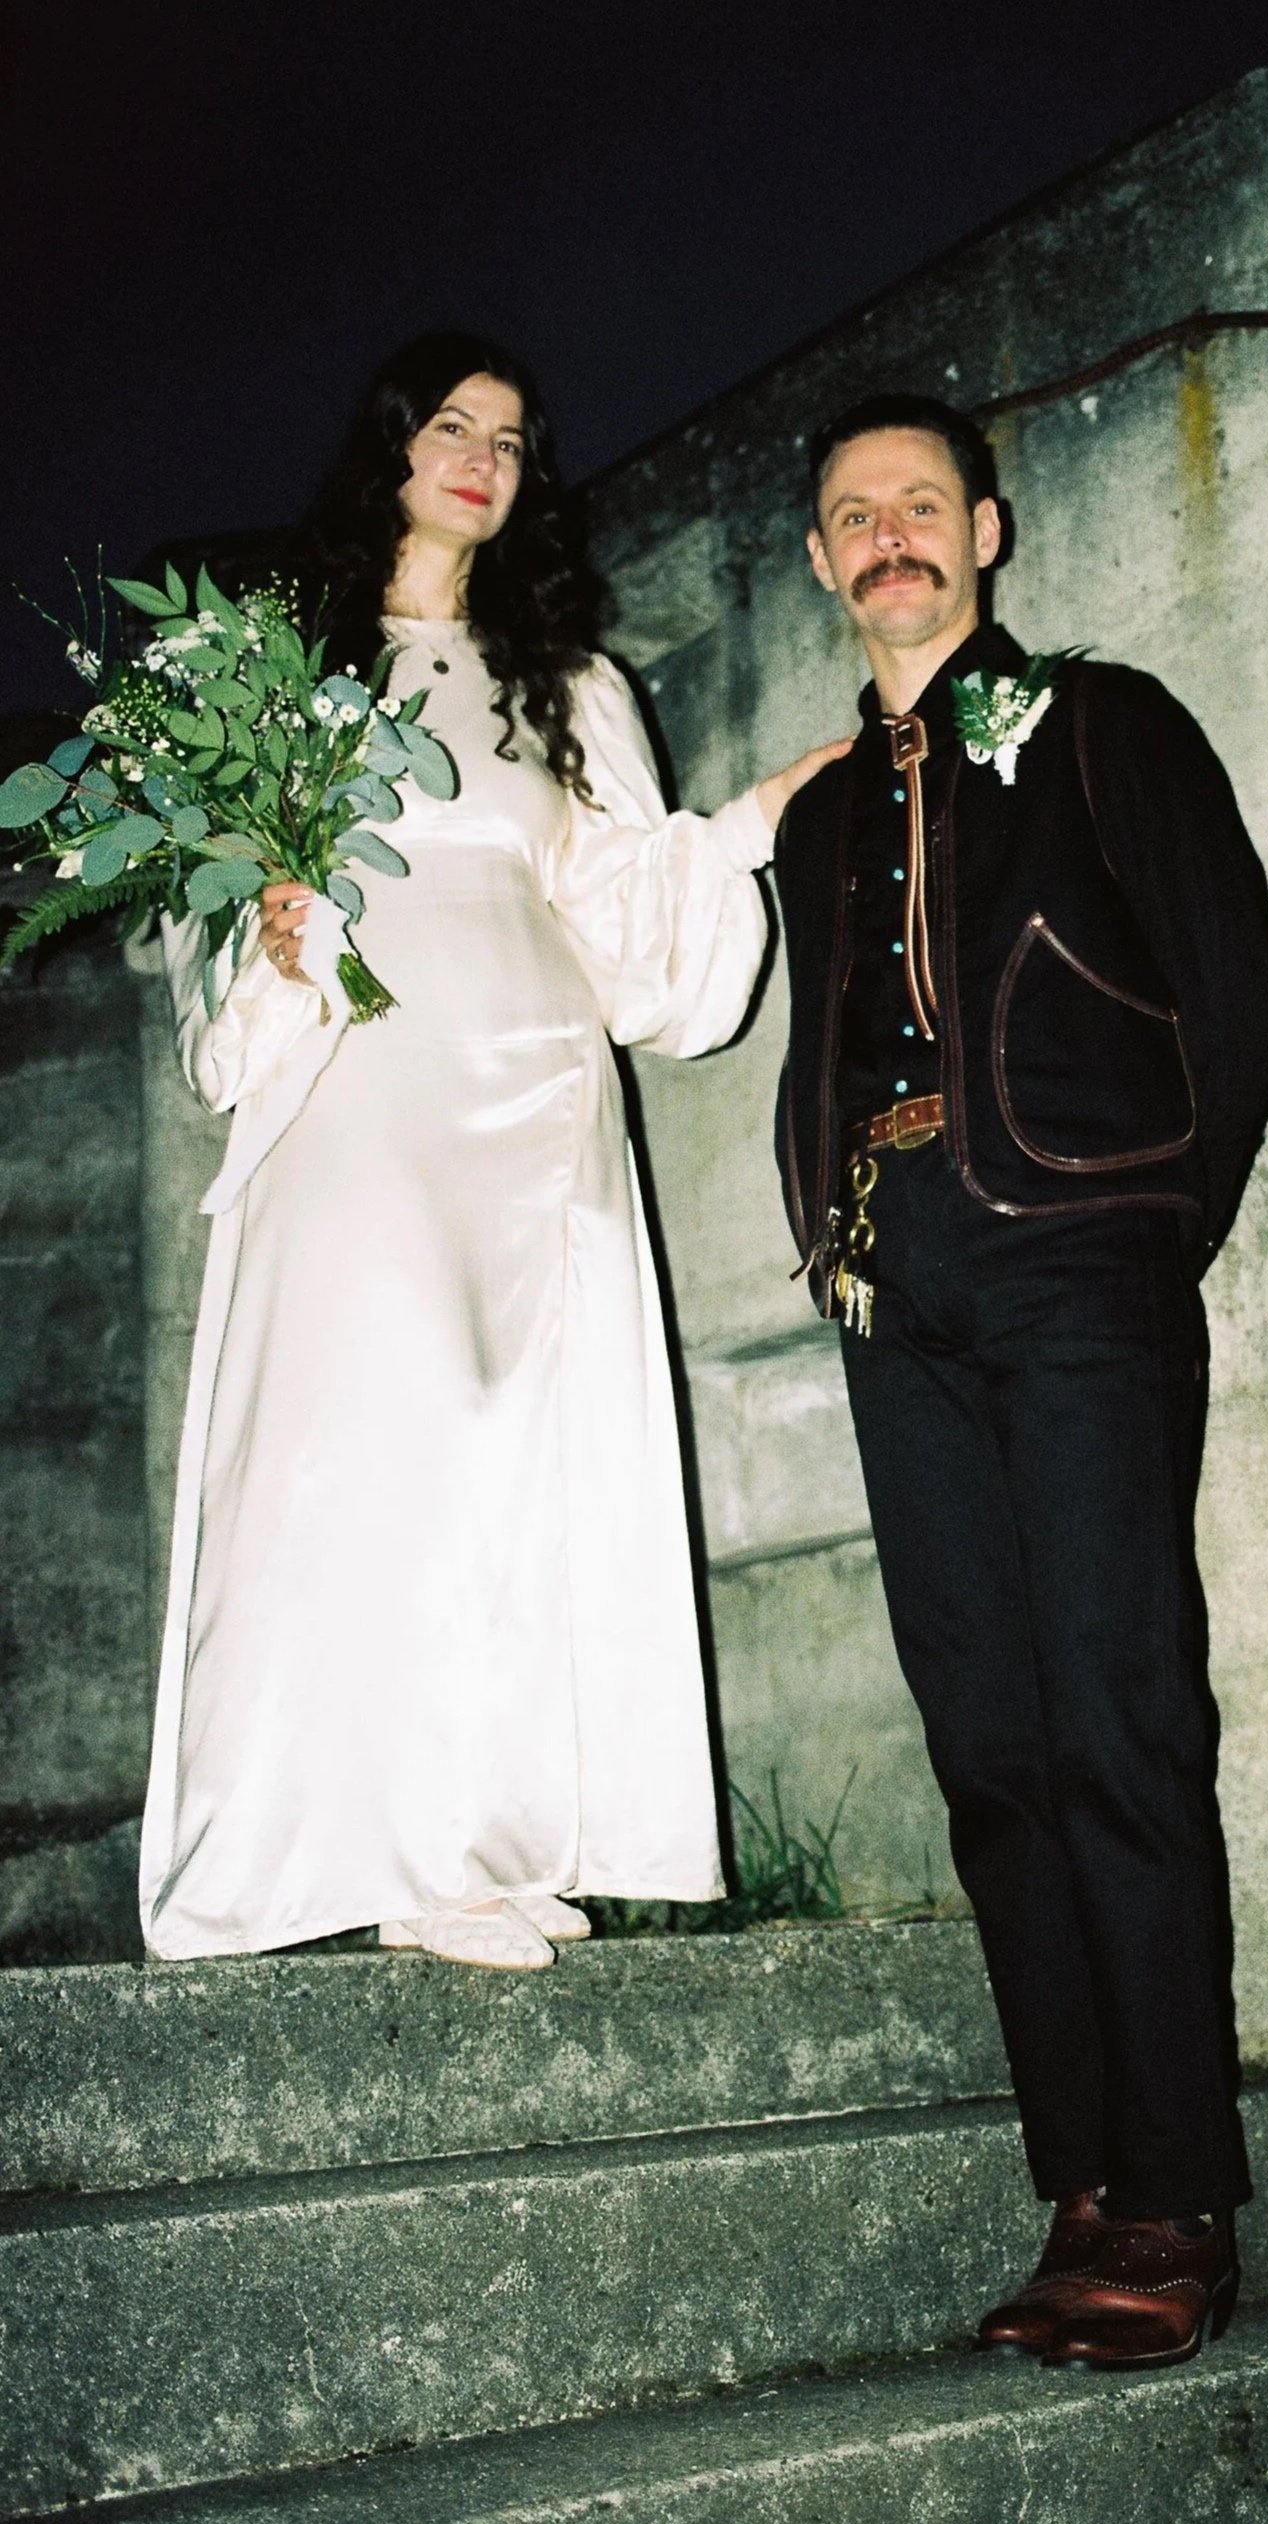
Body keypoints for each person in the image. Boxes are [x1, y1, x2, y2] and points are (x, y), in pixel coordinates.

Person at [139, 331, 845, 1969]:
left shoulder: (569, 684)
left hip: (538, 1091)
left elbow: (624, 922)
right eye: (452, 427)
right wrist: (270, 938)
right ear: (389, 446)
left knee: (524, 1451)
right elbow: (207, 932)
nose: (482, 459)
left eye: (512, 441)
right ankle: (387, 1849)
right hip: (365, 1076)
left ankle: (489, 1837)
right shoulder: (272, 672)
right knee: (381, 1433)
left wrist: (746, 823)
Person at [770, 394, 1268, 2368]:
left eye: (920, 501)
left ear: (983, 530)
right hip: (893, 1285)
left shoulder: (1101, 720)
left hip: (1078, 1257)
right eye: (854, 514)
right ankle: (1082, 2171)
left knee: (1115, 1716)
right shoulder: (821, 813)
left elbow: (1240, 1002)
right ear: (823, 561)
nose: (889, 533)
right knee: (991, 1743)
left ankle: (1175, 2196)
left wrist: (1146, 1226)